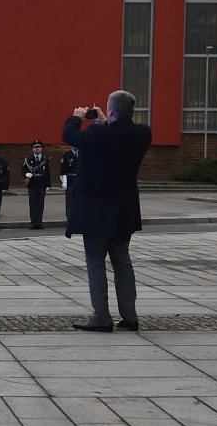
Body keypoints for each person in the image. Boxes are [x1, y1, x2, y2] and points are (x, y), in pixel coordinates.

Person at [64, 91, 152, 332]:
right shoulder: (143, 134)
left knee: (96, 263)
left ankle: (101, 316)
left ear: (111, 111)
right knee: (123, 263)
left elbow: (70, 135)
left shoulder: (97, 134)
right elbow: (117, 136)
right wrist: (104, 123)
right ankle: (130, 316)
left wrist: (77, 117)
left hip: (96, 212)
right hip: (124, 211)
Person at [21, 141, 53, 229]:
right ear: (33, 149)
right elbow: (23, 170)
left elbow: (48, 172)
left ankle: (39, 222)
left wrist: (48, 185)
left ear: (41, 148)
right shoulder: (28, 159)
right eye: (35, 147)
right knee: (33, 203)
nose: (37, 148)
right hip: (32, 184)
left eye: (39, 147)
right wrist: (26, 175)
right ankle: (33, 222)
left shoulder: (45, 159)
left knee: (40, 203)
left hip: (42, 184)